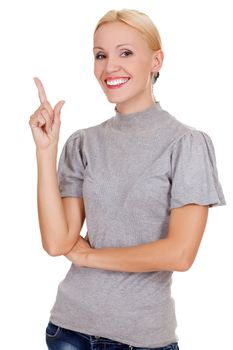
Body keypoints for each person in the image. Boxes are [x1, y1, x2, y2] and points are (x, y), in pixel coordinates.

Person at [29, 8, 226, 350]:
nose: (109, 67)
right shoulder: (83, 142)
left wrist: (90, 256)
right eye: (100, 55)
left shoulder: (187, 144)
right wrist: (46, 151)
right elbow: (57, 243)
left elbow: (179, 254)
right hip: (69, 331)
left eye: (126, 53)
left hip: (142, 339)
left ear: (156, 61)